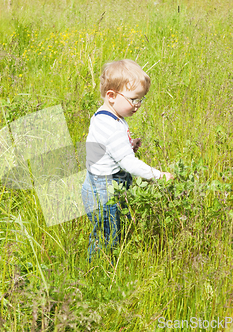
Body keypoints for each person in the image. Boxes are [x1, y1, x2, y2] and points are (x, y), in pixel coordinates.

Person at [81, 59, 174, 263]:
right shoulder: (112, 127)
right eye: (134, 99)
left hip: (97, 183)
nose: (138, 105)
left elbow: (104, 149)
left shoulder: (104, 116)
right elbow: (129, 164)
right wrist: (159, 176)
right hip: (103, 190)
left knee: (108, 231)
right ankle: (99, 270)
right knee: (107, 236)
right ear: (112, 96)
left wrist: (128, 146)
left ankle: (101, 264)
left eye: (141, 99)